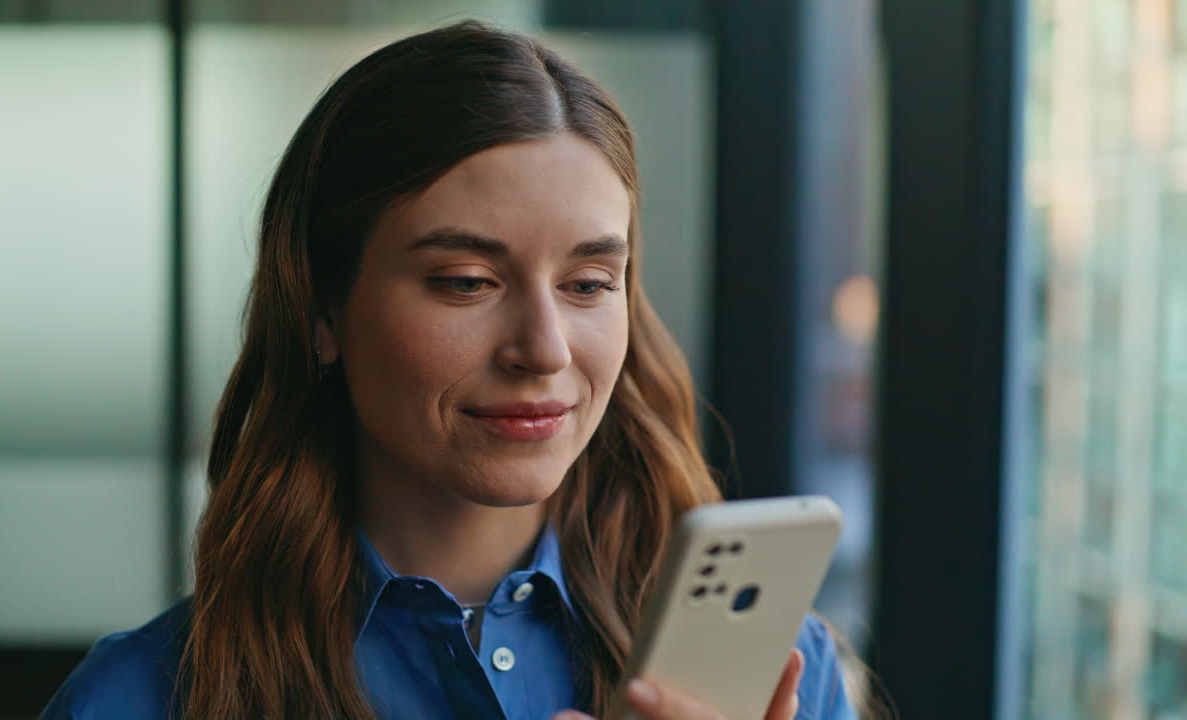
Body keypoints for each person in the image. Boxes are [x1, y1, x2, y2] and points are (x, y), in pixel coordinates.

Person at [43, 20, 859, 720]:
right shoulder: (143, 698)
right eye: (466, 283)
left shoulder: (770, 676)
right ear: (323, 311)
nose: (543, 348)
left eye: (587, 284)